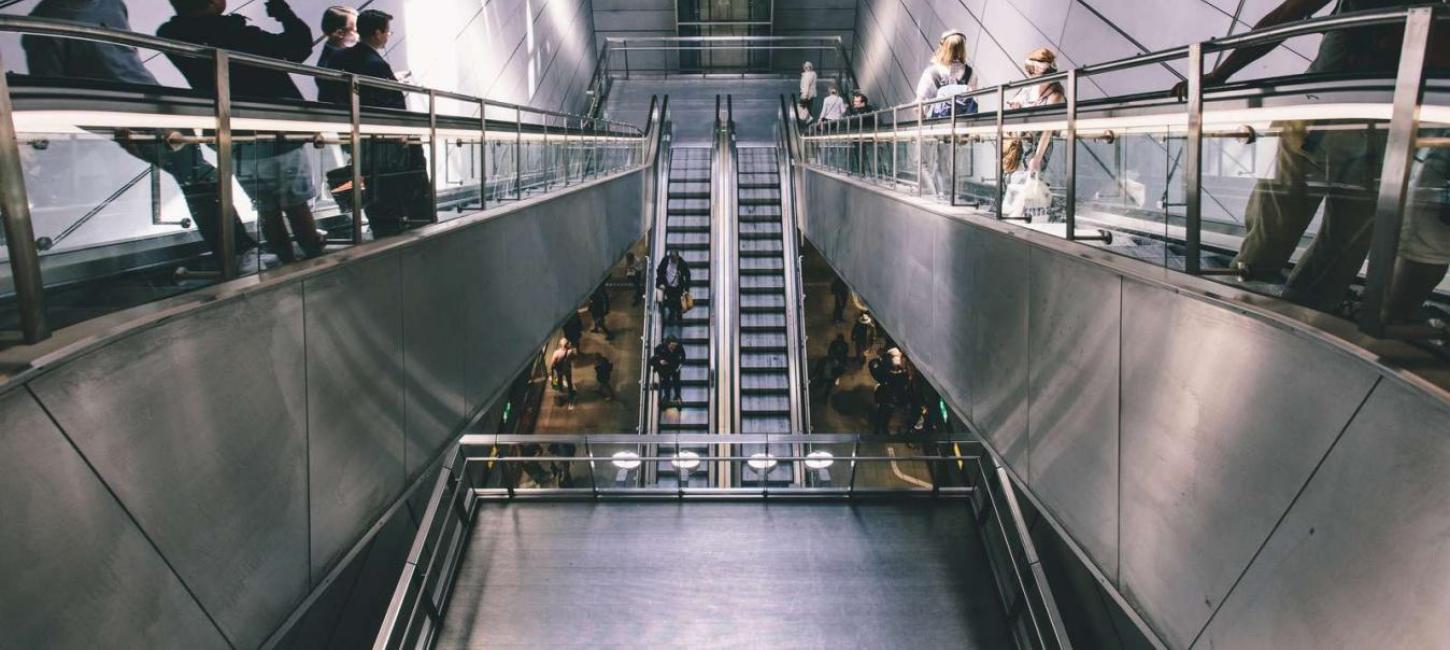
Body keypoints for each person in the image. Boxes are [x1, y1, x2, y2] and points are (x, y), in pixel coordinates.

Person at [1170, 0, 1449, 313]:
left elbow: (1286, 16)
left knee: (1286, 242)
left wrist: (1221, 74)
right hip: (1358, 132)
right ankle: (1278, 314)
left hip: (1330, 125)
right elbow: (1287, 15)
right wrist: (1220, 74)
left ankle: (1250, 310)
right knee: (1326, 251)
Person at [22, 0, 259, 269]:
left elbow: (122, 61)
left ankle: (239, 252)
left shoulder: (106, 4)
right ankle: (238, 254)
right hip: (125, 117)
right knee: (198, 178)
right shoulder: (47, 22)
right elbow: (53, 89)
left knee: (201, 177)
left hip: (157, 106)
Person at [159, 0, 325, 263]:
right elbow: (296, 47)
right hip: (276, 129)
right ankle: (314, 257)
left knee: (267, 208)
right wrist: (284, 13)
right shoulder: (234, 32)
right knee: (295, 203)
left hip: (233, 137)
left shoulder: (170, 34)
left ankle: (284, 260)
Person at [330, 9, 434, 237]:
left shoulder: (344, 57)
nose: (389, 36)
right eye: (387, 31)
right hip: (384, 140)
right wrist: (402, 133)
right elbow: (384, 102)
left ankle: (382, 222)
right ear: (377, 33)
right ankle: (401, 223)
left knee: (371, 179)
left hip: (360, 136)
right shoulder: (374, 63)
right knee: (390, 181)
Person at [1004, 48, 1065, 176]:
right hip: (1018, 143)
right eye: (1031, 71)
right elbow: (1013, 108)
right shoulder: (1028, 89)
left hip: (1037, 146)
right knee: (1014, 181)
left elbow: (1048, 129)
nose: (1032, 75)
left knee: (1030, 182)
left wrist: (1037, 157)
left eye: (1035, 71)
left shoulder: (1055, 95)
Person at [315, 5, 357, 104]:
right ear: (340, 33)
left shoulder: (333, 56)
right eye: (356, 31)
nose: (360, 35)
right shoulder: (334, 63)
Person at [655, 248, 692, 325]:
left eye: (675, 258)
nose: (674, 260)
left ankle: (679, 314)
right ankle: (672, 312)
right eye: (673, 259)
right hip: (668, 287)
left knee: (679, 302)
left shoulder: (682, 263)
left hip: (678, 287)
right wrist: (661, 283)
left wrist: (686, 288)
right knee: (670, 301)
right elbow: (660, 271)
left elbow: (688, 275)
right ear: (670, 257)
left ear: (678, 257)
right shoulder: (665, 261)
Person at [650, 336, 687, 407]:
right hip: (665, 367)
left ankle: (677, 396)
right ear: (668, 344)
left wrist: (679, 367)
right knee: (666, 381)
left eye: (675, 345)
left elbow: (683, 358)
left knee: (676, 381)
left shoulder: (679, 347)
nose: (673, 347)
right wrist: (660, 360)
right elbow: (656, 354)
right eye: (672, 345)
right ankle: (667, 397)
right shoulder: (661, 347)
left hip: (675, 366)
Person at [550, 338, 577, 408]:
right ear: (566, 345)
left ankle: (561, 391)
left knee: (559, 380)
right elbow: (574, 358)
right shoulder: (570, 352)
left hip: (559, 370)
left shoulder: (556, 353)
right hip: (567, 369)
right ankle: (570, 392)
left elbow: (552, 362)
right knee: (569, 381)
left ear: (561, 345)